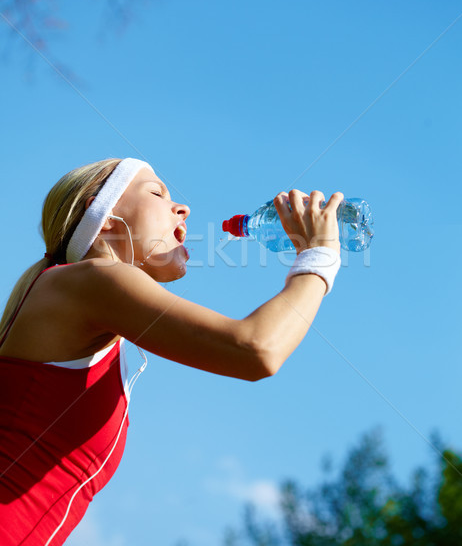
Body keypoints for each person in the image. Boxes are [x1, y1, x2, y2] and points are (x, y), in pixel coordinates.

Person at [0, 157, 343, 545]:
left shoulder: (90, 314)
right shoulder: (89, 280)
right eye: (157, 193)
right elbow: (256, 349)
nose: (184, 208)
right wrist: (320, 255)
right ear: (105, 215)